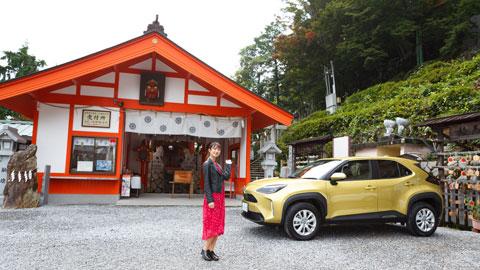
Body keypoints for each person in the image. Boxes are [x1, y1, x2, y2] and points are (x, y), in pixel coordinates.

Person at [201, 141, 232, 261]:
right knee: (212, 225)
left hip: (220, 197)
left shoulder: (217, 165)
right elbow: (207, 184)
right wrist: (210, 200)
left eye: (218, 149)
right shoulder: (206, 164)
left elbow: (226, 177)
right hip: (212, 197)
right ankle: (205, 249)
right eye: (214, 149)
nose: (216, 151)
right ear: (209, 150)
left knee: (218, 225)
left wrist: (229, 165)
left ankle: (211, 250)